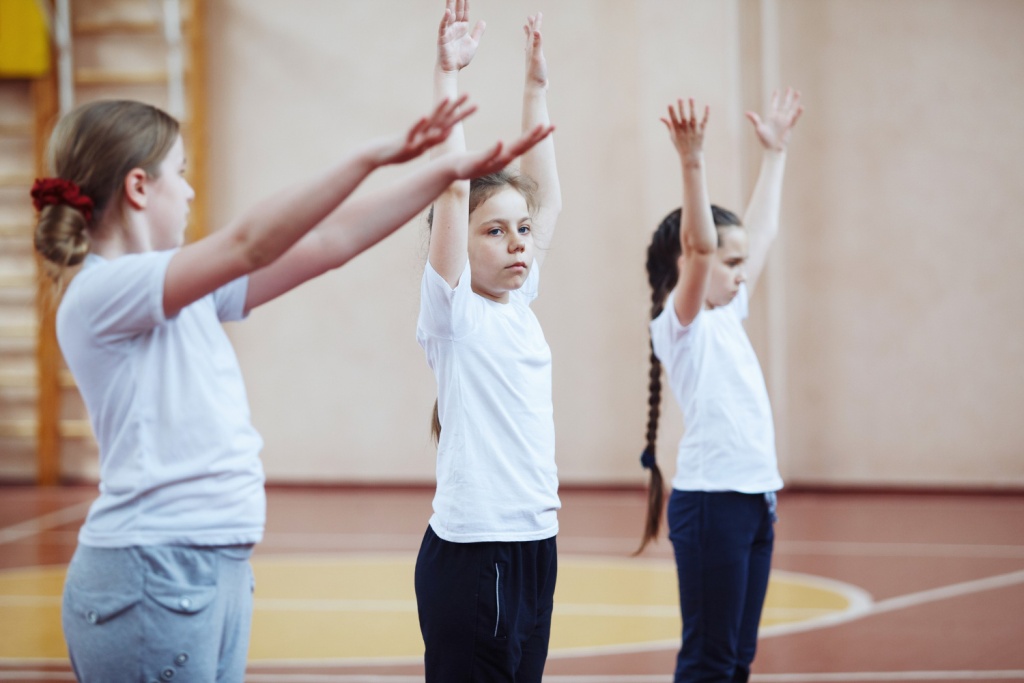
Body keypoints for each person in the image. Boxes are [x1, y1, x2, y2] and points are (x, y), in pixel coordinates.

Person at [32, 95, 548, 683]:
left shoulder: (183, 289)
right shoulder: (101, 294)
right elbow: (250, 242)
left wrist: (441, 174)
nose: (191, 190)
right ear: (139, 187)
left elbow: (329, 244)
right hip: (151, 573)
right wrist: (369, 157)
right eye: (181, 172)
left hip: (211, 569)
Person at [413, 1, 561, 680]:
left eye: (521, 231)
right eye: (494, 230)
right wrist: (448, 75)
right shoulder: (455, 314)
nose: (517, 243)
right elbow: (452, 190)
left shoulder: (518, 303)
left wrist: (536, 86)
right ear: (460, 244)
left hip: (534, 543)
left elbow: (546, 198)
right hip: (479, 553)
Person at [638, 90, 803, 682]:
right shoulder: (681, 327)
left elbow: (758, 235)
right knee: (709, 660)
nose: (741, 272)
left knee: (737, 659)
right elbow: (703, 245)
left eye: (740, 264)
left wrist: (776, 155)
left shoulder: (728, 312)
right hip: (713, 506)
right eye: (728, 265)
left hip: (755, 499)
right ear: (689, 265)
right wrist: (693, 161)